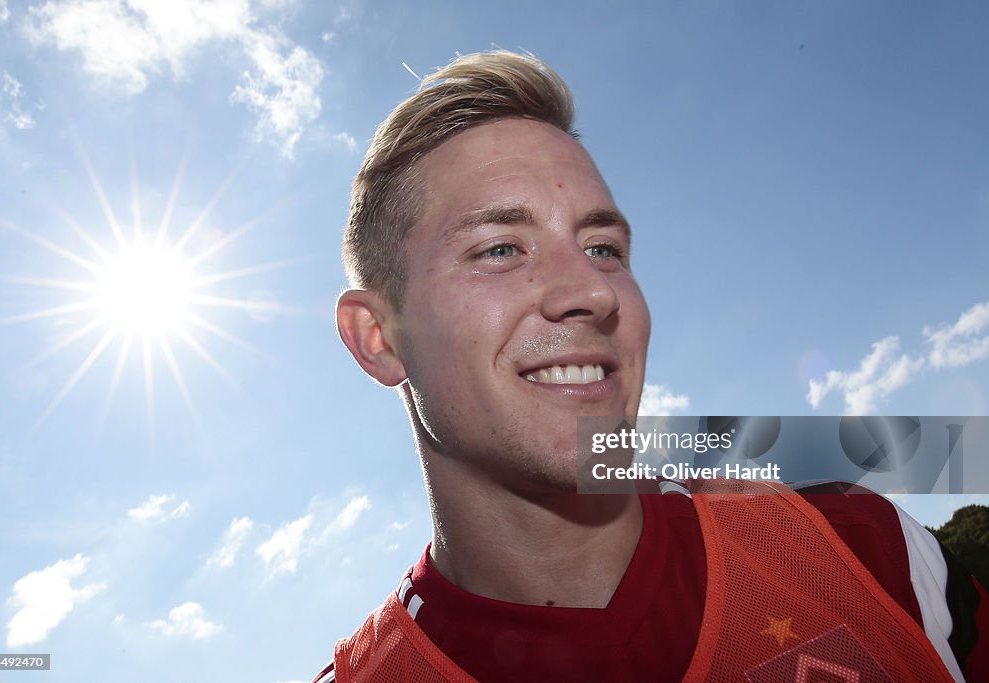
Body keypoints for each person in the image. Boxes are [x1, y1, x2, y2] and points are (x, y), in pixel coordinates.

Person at [316, 51, 987, 682]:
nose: (593, 289)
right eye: (499, 249)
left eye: (603, 247)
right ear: (379, 338)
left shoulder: (860, 546)